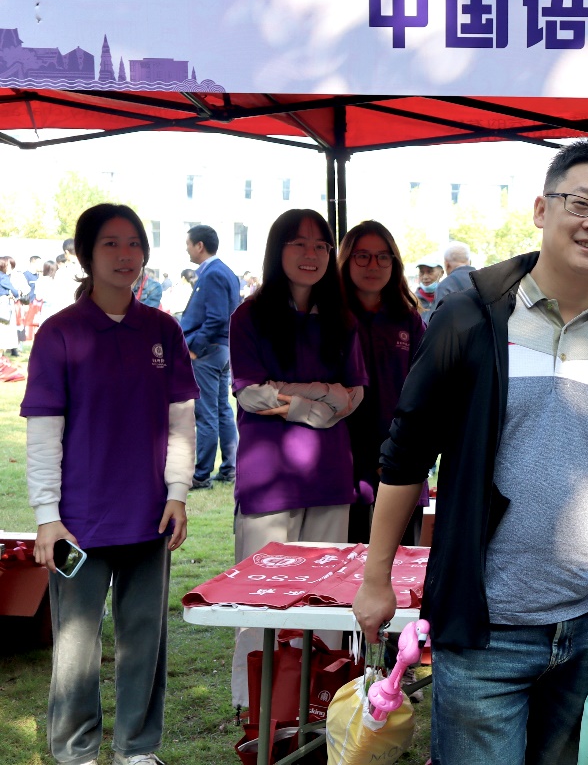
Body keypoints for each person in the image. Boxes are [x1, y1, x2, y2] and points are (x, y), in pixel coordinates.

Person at [352, 137, 588, 764]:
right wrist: (375, 579)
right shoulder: (469, 319)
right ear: (541, 209)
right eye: (581, 203)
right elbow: (406, 456)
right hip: (484, 629)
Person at [21, 203, 198, 765]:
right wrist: (47, 516)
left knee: (144, 636)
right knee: (75, 644)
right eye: (111, 244)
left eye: (135, 243)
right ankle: (75, 751)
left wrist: (177, 494)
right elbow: (43, 433)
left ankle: (135, 748)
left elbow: (181, 423)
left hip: (149, 515)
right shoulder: (60, 333)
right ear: (85, 255)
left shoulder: (163, 330)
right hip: (76, 524)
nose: (126, 255)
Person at [228, 209, 368, 709]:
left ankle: (319, 706)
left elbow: (356, 393)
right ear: (277, 250)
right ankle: (259, 713)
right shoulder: (250, 316)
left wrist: (290, 394)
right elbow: (251, 395)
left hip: (330, 476)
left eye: (320, 245)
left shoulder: (342, 319)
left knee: (325, 599)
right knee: (261, 601)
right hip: (268, 480)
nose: (311, 255)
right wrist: (320, 401)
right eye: (299, 244)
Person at [336, 220, 425, 545]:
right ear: (346, 260)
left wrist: (398, 451)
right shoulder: (331, 317)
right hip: (344, 460)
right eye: (362, 256)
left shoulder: (409, 320)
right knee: (346, 558)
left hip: (400, 457)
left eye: (382, 256)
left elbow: (425, 393)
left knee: (402, 559)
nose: (373, 265)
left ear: (394, 262)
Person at [181, 225, 241, 491]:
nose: (186, 249)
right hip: (222, 349)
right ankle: (228, 468)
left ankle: (202, 474)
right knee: (222, 410)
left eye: (188, 244)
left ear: (199, 246)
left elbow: (216, 317)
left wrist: (195, 346)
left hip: (209, 351)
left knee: (206, 413)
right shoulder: (225, 271)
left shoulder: (213, 273)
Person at [432, 240, 476, 309]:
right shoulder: (486, 279)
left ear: (447, 264)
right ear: (470, 262)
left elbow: (442, 315)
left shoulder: (445, 286)